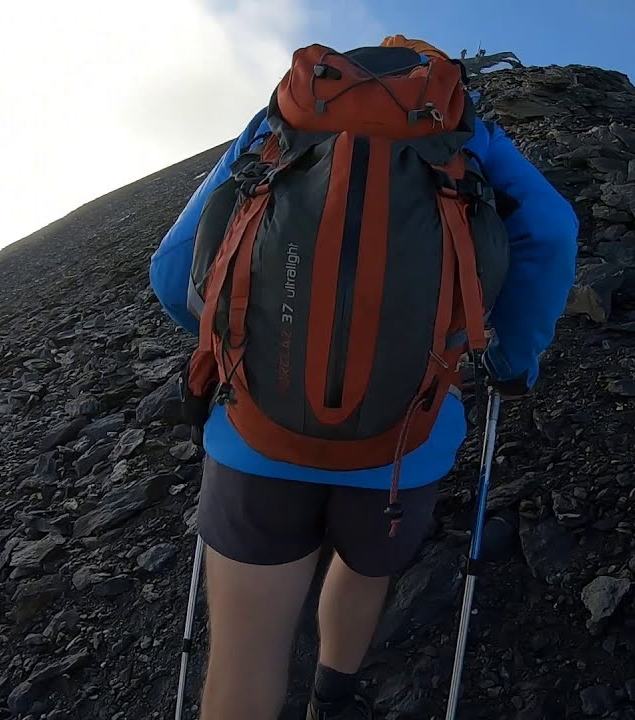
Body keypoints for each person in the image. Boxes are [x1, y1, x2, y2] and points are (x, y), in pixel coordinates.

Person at [149, 34, 579, 720]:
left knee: (244, 655)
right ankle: (333, 696)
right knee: (363, 564)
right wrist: (510, 362)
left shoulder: (281, 125)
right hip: (407, 438)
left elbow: (174, 274)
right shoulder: (467, 137)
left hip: (256, 436)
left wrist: (231, 343)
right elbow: (552, 230)